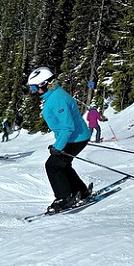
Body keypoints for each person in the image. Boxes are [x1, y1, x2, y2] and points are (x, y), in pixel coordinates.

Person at [27, 66, 93, 213]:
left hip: (74, 138)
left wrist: (58, 146)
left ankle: (64, 198)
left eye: (34, 87)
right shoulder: (53, 95)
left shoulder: (56, 99)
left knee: (53, 166)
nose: (32, 91)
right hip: (74, 137)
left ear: (45, 84)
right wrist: (59, 143)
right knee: (62, 165)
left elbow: (66, 127)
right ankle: (81, 191)